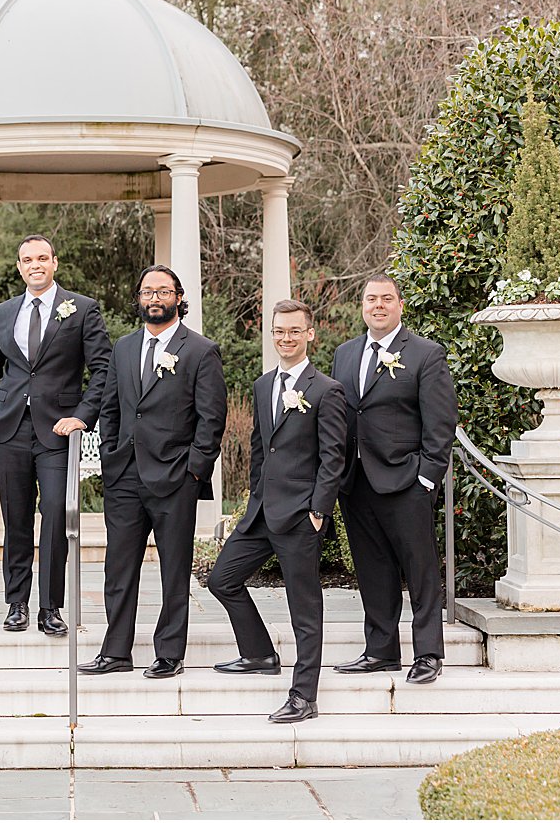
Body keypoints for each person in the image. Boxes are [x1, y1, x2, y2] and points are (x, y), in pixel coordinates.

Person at [79, 265, 226, 679]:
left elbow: (211, 420)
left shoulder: (200, 350)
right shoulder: (123, 348)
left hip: (175, 477)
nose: (154, 298)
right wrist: (110, 456)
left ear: (179, 297)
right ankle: (115, 652)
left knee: (173, 569)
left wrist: (194, 471)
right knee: (118, 568)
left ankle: (169, 652)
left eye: (163, 291)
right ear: (138, 299)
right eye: (147, 291)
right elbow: (111, 406)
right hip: (124, 476)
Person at [207, 300, 348, 723]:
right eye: (279, 331)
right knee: (222, 580)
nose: (285, 338)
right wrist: (253, 496)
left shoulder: (327, 390)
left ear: (309, 334)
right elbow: (258, 447)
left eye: (293, 331)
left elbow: (334, 457)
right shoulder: (263, 385)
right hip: (260, 513)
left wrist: (319, 510)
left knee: (303, 608)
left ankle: (304, 696)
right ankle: (259, 653)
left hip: (302, 515)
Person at [0, 234, 112, 636]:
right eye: (26, 259)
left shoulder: (83, 309)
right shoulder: (3, 313)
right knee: (15, 518)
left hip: (58, 430)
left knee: (54, 513)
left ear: (54, 262)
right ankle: (16, 603)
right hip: (10, 428)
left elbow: (102, 369)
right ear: (19, 267)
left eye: (41, 258)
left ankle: (50, 607)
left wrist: (83, 416)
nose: (34, 264)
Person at [330, 273, 456, 686]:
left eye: (386, 299)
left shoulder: (425, 354)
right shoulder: (345, 354)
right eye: (371, 299)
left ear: (400, 304)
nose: (378, 306)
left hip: (405, 480)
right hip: (357, 481)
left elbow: (440, 424)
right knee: (371, 570)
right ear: (362, 306)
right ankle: (381, 651)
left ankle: (428, 655)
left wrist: (426, 478)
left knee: (419, 570)